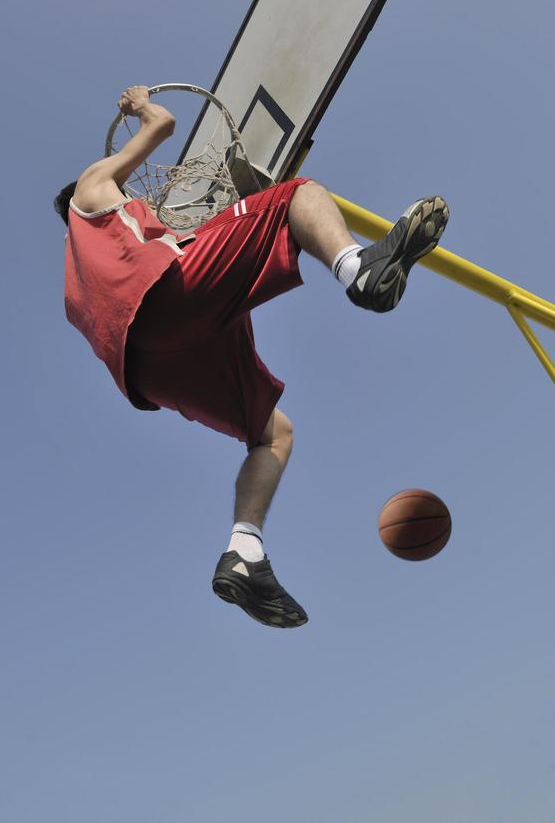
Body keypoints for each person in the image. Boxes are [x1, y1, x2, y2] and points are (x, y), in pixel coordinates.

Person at [54, 86, 449, 629]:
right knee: (294, 195)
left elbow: (138, 307)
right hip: (162, 300)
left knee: (274, 434)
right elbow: (164, 124)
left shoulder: (76, 286)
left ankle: (245, 551)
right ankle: (357, 268)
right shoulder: (91, 187)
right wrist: (140, 105)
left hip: (152, 371)